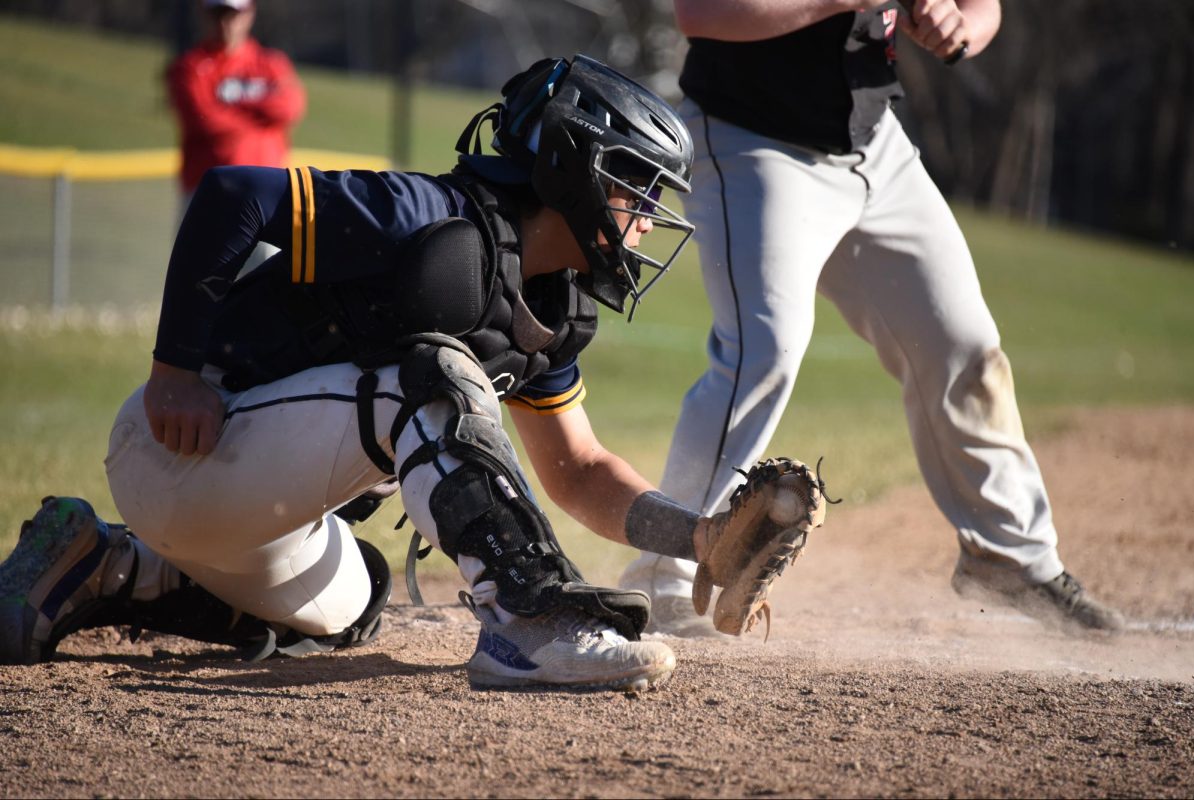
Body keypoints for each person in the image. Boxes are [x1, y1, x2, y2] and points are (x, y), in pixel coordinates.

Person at [0, 55, 817, 691]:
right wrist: (174, 370)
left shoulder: (550, 310)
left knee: (357, 602)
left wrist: (700, 538)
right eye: (633, 185)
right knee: (430, 375)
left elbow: (580, 471)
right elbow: (230, 197)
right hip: (179, 446)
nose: (646, 219)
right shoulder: (429, 218)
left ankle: (104, 564)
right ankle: (528, 628)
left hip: (257, 506)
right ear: (571, 165)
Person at [619, 0, 1126, 636]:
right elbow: (702, 13)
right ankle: (663, 577)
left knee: (963, 347)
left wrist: (959, 24)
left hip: (874, 146)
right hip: (752, 140)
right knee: (763, 351)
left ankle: (1009, 557)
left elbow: (982, 8)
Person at [167, 0, 306, 202]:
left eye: (233, 14)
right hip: (210, 191)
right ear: (204, 15)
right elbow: (205, 120)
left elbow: (290, 108)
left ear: (250, 13)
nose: (225, 22)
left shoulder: (271, 64)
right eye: (218, 14)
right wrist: (262, 118)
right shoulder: (190, 67)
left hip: (268, 190)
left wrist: (233, 105)